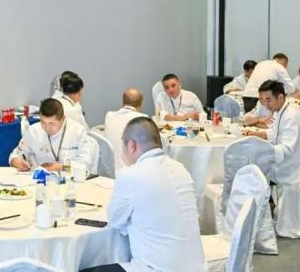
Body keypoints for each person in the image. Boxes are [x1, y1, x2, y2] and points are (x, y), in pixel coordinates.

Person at [81, 116, 206, 272]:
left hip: (154, 269)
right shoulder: (181, 169)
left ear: (131, 145)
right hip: (196, 267)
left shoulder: (131, 175)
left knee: (82, 268)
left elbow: (115, 222)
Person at [245, 81, 300, 185]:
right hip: (284, 165)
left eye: (268, 100)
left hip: (290, 172)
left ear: (280, 97)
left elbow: (287, 149)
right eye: (263, 100)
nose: (266, 105)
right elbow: (276, 133)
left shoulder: (291, 115)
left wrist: (263, 150)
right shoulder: (280, 110)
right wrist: (260, 135)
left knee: (250, 174)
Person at [9, 98, 92, 171]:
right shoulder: (33, 131)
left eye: (51, 124)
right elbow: (15, 155)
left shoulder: (77, 131)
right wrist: (16, 161)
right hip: (39, 180)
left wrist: (59, 167)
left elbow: (84, 165)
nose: (46, 128)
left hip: (69, 180)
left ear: (63, 119)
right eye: (42, 122)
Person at [104, 88, 146, 172]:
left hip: (109, 171)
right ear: (140, 104)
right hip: (131, 172)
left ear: (123, 102)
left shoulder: (109, 115)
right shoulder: (142, 119)